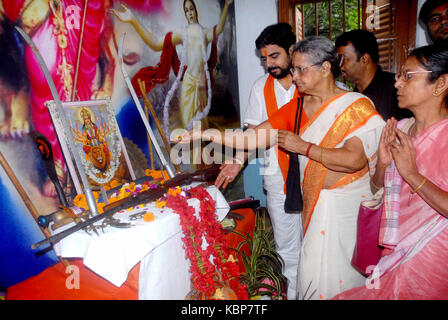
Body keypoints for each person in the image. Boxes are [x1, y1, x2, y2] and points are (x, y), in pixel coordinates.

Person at [177, 36, 385, 300]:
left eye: (301, 69)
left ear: (325, 68)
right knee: (310, 271)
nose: (294, 75)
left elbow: (353, 160)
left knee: (345, 277)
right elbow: (251, 138)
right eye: (294, 68)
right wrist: (206, 134)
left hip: (347, 210)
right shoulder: (297, 107)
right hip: (315, 208)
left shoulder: (355, 105)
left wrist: (303, 147)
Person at [333, 44, 448, 300]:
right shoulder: (402, 129)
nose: (397, 84)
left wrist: (413, 175)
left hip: (433, 256)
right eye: (398, 76)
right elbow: (378, 189)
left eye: (408, 76)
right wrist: (383, 165)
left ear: (440, 84)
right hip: (394, 249)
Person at [215, 23, 302, 300]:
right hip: (278, 180)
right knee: (287, 248)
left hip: (317, 179)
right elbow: (252, 133)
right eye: (264, 58)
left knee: (316, 243)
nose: (268, 64)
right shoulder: (259, 88)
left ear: (292, 50)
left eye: (274, 56)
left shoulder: (311, 81)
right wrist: (236, 162)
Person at [112, 0, 233, 133]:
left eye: (191, 9)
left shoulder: (204, 33)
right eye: (186, 10)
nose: (189, 13)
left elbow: (219, 30)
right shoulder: (183, 33)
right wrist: (133, 20)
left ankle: (199, 153)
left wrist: (227, 6)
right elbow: (155, 43)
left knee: (201, 128)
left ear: (196, 11)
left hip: (202, 84)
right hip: (189, 83)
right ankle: (191, 151)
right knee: (189, 127)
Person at [335, 29, 411, 120]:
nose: (340, 66)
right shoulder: (351, 96)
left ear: (364, 59)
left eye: (344, 59)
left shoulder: (397, 89)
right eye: (339, 60)